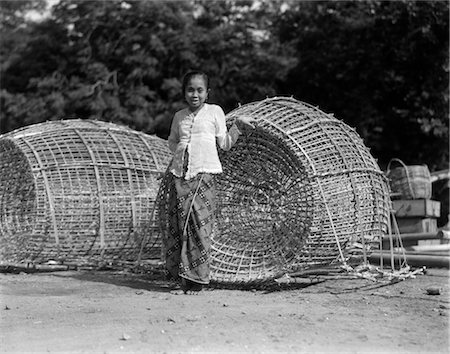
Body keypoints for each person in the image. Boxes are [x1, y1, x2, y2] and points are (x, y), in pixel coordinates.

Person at [161, 70, 255, 295]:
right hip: (180, 178)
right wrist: (182, 153)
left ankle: (198, 280)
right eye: (190, 90)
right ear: (184, 92)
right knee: (179, 227)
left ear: (207, 92)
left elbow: (224, 143)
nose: (195, 94)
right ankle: (182, 279)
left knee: (200, 228)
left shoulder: (215, 112)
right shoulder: (179, 116)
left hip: (204, 176)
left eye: (199, 90)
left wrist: (239, 126)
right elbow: (172, 142)